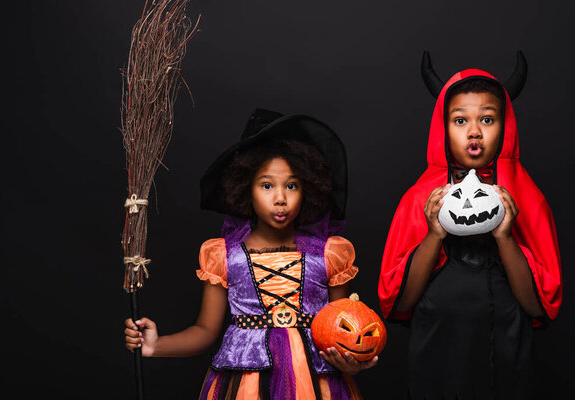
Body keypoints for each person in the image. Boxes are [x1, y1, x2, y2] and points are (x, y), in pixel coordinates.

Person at [124, 108, 377, 399]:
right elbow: (206, 331)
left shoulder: (330, 255)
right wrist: (156, 345)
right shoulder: (224, 257)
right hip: (245, 385)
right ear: (246, 189)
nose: (280, 198)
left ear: (308, 188)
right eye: (267, 185)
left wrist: (354, 361)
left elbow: (345, 328)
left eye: (291, 185)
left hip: (318, 385)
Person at [377, 52, 562, 399]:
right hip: (436, 345)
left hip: (506, 345)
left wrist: (506, 237)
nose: (474, 131)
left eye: (488, 120)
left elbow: (540, 306)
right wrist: (434, 234)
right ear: (442, 127)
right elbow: (400, 300)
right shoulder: (419, 197)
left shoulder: (528, 197)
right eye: (460, 121)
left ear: (505, 127)